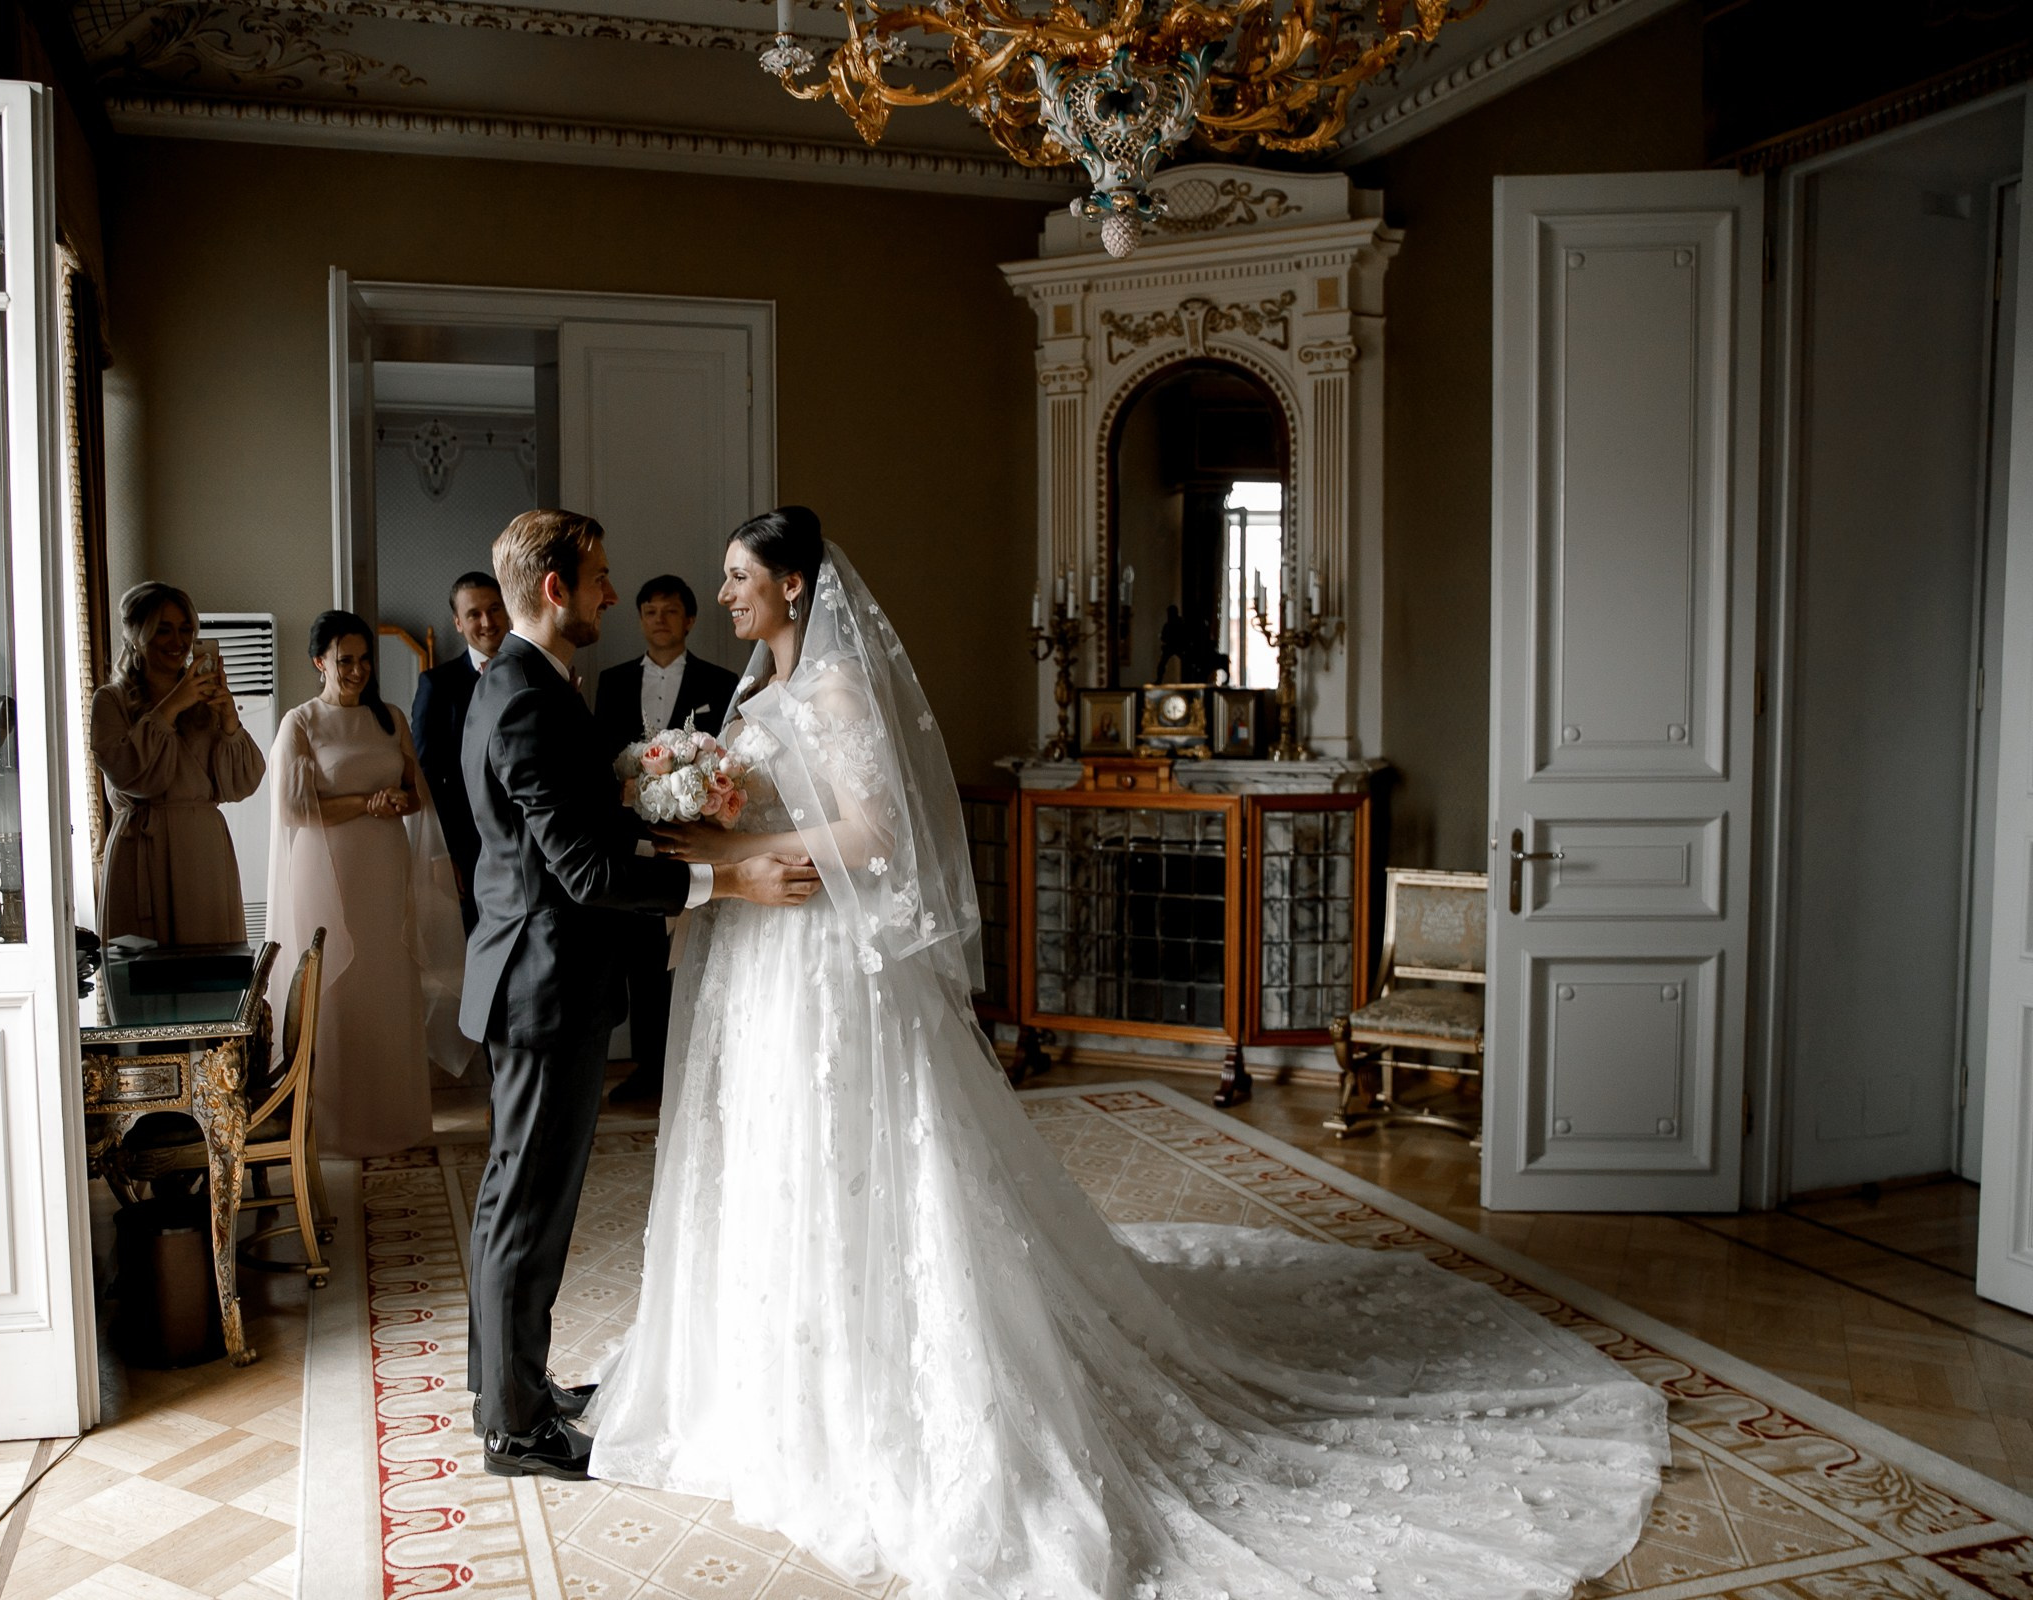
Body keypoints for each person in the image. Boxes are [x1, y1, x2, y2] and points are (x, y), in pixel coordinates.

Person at [583, 507, 1668, 1600]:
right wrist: (704, 825)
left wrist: (742, 847)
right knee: (772, 1157)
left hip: (826, 958)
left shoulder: (837, 690)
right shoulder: (754, 691)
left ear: (798, 585)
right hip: (764, 962)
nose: (725, 596)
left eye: (738, 578)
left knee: (853, 1160)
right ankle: (773, 1383)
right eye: (723, 580)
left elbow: (875, 836)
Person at [457, 508, 820, 1482]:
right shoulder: (528, 695)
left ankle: (506, 1387)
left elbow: (574, 827)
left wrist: (649, 809)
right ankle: (516, 1428)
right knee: (528, 1208)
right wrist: (728, 879)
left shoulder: (526, 683)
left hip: (528, 976)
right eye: (602, 578)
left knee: (511, 1199)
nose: (613, 595)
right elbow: (579, 869)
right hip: (544, 987)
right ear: (554, 590)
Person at [264, 609, 473, 1159]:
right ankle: (331, 1129)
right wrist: (367, 803)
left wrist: (396, 801)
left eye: (363, 660)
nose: (357, 670)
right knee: (334, 985)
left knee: (385, 980)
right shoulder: (300, 722)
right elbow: (291, 808)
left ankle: (394, 1119)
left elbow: (414, 793)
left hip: (383, 866)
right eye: (344, 660)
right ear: (320, 663)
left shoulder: (391, 719)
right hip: (324, 867)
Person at [592, 575, 742, 1106]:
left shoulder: (720, 682)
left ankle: (692, 1069)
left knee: (691, 955)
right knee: (641, 960)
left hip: (694, 835)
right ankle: (648, 1068)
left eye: (671, 610)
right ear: (639, 620)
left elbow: (728, 758)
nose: (660, 619)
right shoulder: (610, 682)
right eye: (650, 611)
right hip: (629, 838)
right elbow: (599, 759)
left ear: (690, 619)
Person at [89, 582, 263, 945]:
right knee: (144, 979)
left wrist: (229, 717)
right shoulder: (111, 700)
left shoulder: (206, 699)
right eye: (163, 629)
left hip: (203, 851)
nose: (177, 641)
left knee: (209, 973)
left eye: (186, 630)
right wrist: (170, 706)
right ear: (137, 635)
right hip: (142, 849)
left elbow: (242, 784)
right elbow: (128, 773)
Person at [411, 571, 512, 932]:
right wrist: (441, 851)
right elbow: (425, 773)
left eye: (494, 609)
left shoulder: (535, 672)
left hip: (535, 840)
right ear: (458, 622)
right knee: (480, 944)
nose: (487, 622)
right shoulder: (437, 685)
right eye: (473, 614)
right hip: (469, 847)